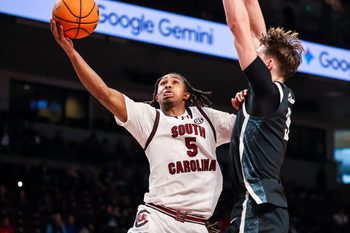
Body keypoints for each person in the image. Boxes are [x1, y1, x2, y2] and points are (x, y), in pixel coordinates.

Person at [50, 19, 244, 233]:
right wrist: (71, 53)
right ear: (156, 96)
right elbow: (103, 94)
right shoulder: (149, 118)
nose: (168, 84)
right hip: (158, 217)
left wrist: (246, 104)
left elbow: (250, 128)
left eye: (174, 82)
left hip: (197, 225)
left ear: (187, 95)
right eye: (162, 83)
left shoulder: (208, 117)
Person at [222, 0, 304, 232]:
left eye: (257, 56)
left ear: (267, 65)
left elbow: (238, 25)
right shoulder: (277, 94)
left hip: (257, 202)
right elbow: (260, 36)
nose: (252, 57)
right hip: (269, 205)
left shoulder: (267, 91)